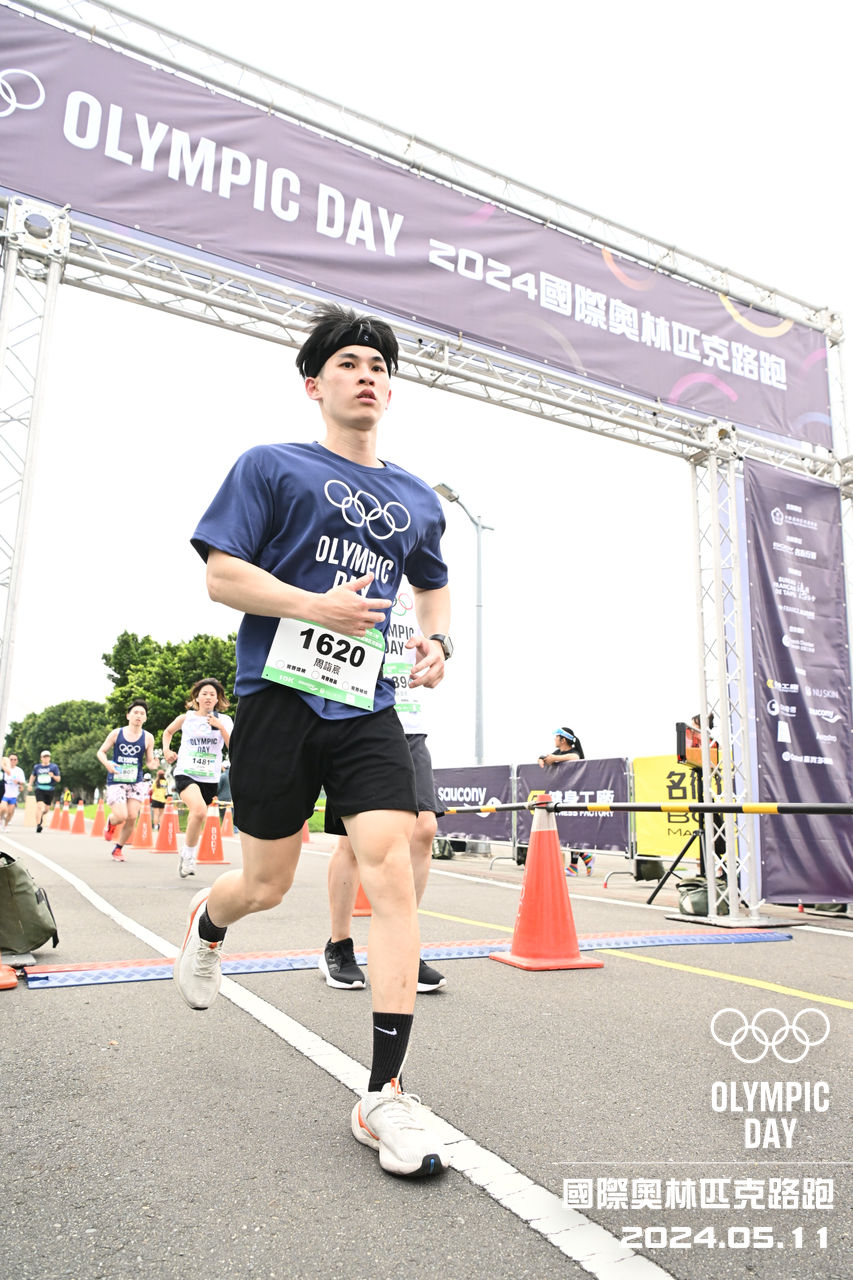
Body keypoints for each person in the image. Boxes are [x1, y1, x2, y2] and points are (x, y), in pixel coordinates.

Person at [177, 303, 452, 1179]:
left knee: (393, 866)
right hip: (277, 698)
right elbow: (222, 576)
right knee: (265, 883)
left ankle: (385, 1095)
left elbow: (432, 583)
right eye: (348, 364)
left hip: (366, 706)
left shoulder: (416, 498)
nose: (366, 376)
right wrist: (313, 605)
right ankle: (210, 920)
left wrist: (439, 641)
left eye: (378, 367)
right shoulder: (270, 466)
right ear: (313, 385)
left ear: (389, 391)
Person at [320, 580, 446, 994]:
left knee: (424, 828)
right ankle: (339, 945)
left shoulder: (423, 588)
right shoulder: (359, 566)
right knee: (352, 843)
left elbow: (438, 634)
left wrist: (439, 649)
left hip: (410, 721)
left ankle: (400, 943)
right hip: (359, 717)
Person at [162, 678, 233, 878]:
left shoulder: (225, 720)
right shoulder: (186, 718)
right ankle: (189, 857)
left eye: (213, 694)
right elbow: (168, 732)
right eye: (204, 694)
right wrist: (166, 750)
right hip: (186, 772)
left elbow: (233, 746)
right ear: (197, 697)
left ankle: (186, 852)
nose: (208, 697)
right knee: (200, 810)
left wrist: (220, 727)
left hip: (210, 777)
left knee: (198, 814)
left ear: (218, 699)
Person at [95, 699, 157, 862]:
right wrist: (107, 764)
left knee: (132, 816)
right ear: (128, 715)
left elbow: (149, 761)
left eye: (142, 713)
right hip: (117, 779)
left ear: (145, 718)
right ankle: (111, 822)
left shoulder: (148, 737)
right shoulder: (117, 733)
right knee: (121, 815)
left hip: (136, 781)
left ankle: (118, 849)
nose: (138, 716)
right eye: (135, 712)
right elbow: (101, 752)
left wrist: (153, 764)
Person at [538, 726, 593, 875]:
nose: (554, 739)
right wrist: (542, 759)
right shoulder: (558, 753)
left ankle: (574, 866)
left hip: (574, 796)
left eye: (556, 737)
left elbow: (575, 758)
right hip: (562, 797)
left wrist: (555, 758)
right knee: (567, 831)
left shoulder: (573, 752)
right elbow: (547, 757)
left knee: (573, 830)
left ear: (563, 740)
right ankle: (586, 857)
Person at [28, 749, 61, 831]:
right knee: (39, 806)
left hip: (50, 789)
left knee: (46, 809)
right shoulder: (37, 767)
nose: (46, 758)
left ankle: (40, 816)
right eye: (44, 757)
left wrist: (53, 776)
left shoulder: (54, 767)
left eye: (47, 757)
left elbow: (58, 779)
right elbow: (33, 776)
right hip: (39, 788)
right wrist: (30, 784)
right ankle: (38, 825)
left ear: (49, 758)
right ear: (41, 758)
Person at [0, 753, 27, 828]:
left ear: (17, 761)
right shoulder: (3, 769)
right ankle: (1, 819)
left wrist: (18, 782)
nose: (13, 761)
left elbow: (22, 782)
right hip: (4, 793)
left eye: (15, 759)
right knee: (3, 808)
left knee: (10, 812)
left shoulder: (19, 770)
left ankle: (5, 825)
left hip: (13, 794)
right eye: (11, 759)